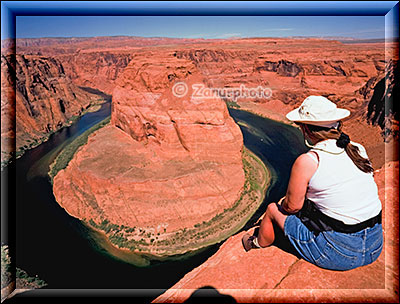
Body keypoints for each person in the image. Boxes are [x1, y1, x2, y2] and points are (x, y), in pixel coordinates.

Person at [242, 95, 383, 271]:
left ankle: (255, 243)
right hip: (374, 244)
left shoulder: (308, 161)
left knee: (272, 209)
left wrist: (285, 206)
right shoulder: (357, 148)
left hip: (339, 254)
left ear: (307, 129)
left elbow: (291, 207)